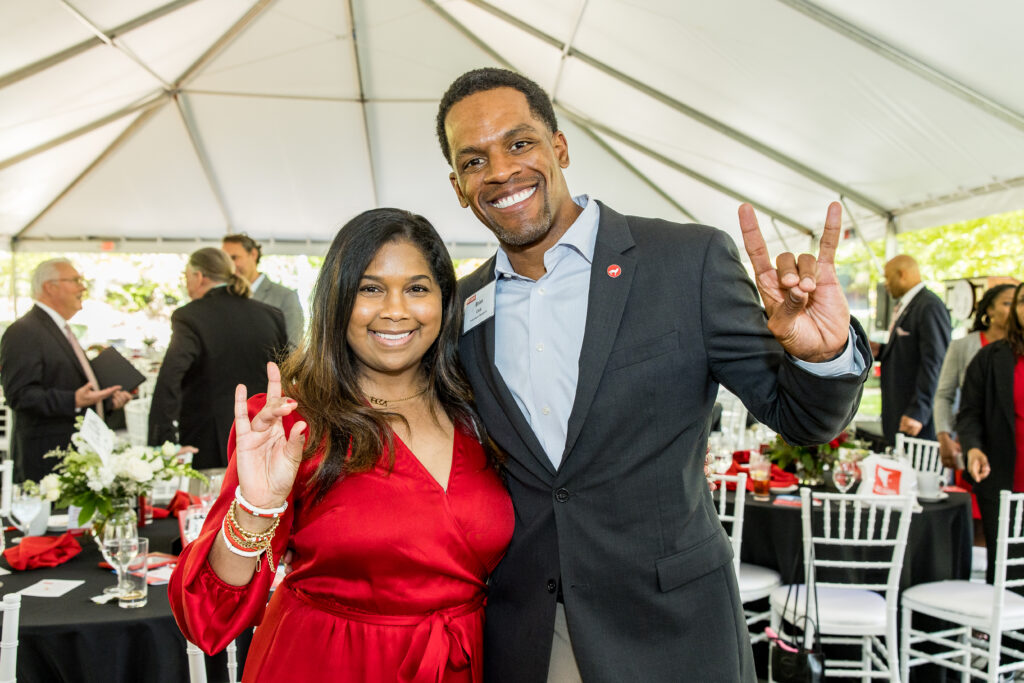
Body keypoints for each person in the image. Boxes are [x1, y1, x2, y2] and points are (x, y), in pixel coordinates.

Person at [436, 68, 871, 682]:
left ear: (559, 147)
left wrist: (821, 355)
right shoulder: (459, 310)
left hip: (674, 627)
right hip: (534, 631)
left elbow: (804, 419)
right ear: (458, 186)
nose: (502, 171)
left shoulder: (686, 261)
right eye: (475, 160)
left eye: (520, 142)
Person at [169, 209, 512, 682]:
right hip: (328, 663)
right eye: (370, 289)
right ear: (337, 300)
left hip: (464, 662)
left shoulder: (482, 412)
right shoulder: (293, 424)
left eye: (417, 288)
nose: (395, 309)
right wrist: (255, 508)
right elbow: (206, 618)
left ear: (444, 300)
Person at [148, 248, 287, 469]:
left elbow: (170, 378)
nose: (186, 284)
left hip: (208, 438)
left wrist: (162, 442)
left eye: (186, 277)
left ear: (199, 276)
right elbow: (284, 374)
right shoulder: (271, 315)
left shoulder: (190, 316)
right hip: (262, 431)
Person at [0, 259, 131, 481]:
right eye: (75, 281)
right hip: (47, 462)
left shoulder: (60, 330)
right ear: (50, 287)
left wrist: (106, 401)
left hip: (76, 456)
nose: (82, 288)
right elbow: (19, 396)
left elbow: (66, 382)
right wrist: (74, 400)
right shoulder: (23, 331)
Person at [960, 281, 1024, 585]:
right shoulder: (990, 358)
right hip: (1001, 476)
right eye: (1021, 302)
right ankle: (999, 632)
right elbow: (969, 412)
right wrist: (972, 447)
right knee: (1004, 569)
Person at [871, 254, 952, 446]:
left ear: (902, 274)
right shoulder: (908, 305)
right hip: (897, 411)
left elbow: (935, 362)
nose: (886, 284)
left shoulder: (929, 306)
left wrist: (919, 411)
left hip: (915, 420)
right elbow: (910, 352)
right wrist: (881, 350)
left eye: (887, 278)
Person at [935, 283, 1017, 468]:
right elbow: (944, 394)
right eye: (1007, 303)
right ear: (990, 309)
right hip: (971, 440)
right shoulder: (963, 346)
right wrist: (944, 434)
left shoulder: (1018, 351)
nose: (1014, 310)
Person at [222, 233, 305, 348]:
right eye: (225, 260)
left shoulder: (285, 297)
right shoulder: (224, 296)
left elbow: (294, 348)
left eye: (234, 258)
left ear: (253, 254)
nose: (230, 265)